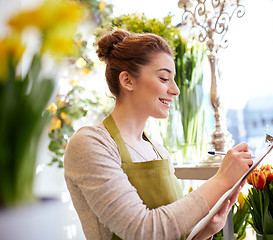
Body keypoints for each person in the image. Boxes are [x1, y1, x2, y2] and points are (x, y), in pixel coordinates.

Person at [64, 29, 253, 240]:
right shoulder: (90, 144)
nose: (176, 90)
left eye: (173, 79)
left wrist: (205, 231)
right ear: (127, 80)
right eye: (164, 78)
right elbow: (142, 230)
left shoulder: (157, 150)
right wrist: (221, 179)